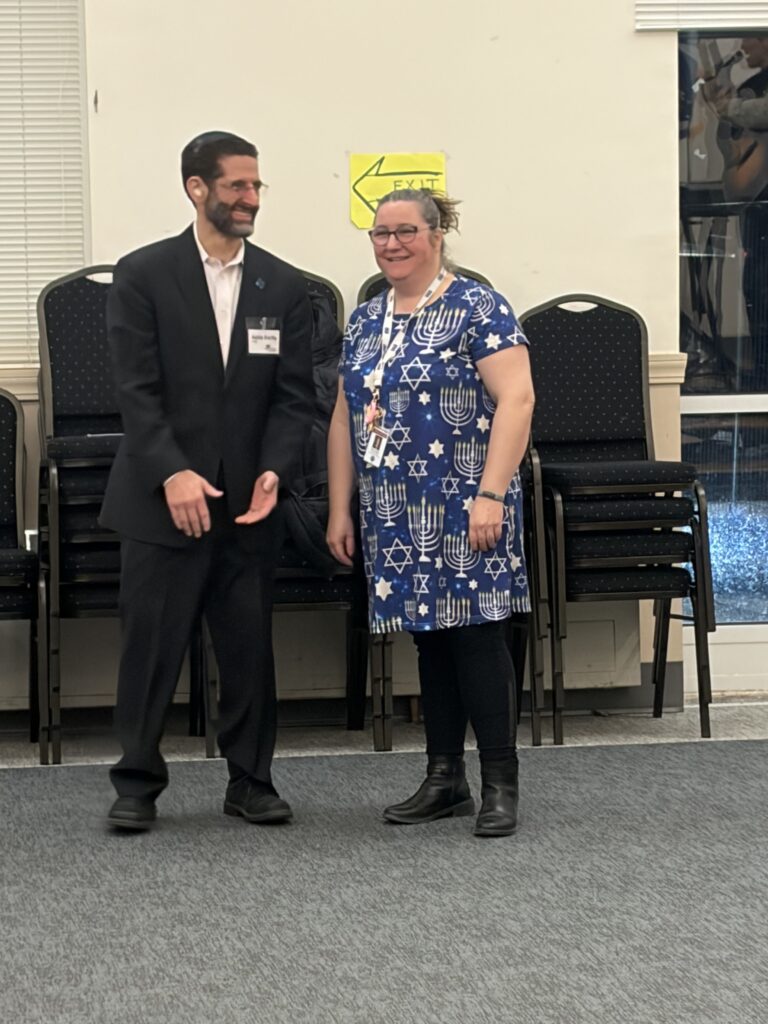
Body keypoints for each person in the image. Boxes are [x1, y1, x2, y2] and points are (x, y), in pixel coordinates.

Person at [100, 131, 315, 831]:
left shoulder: (284, 285)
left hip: (248, 503)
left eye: (256, 186)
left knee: (248, 648)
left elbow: (294, 398)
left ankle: (251, 781)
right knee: (151, 647)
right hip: (161, 498)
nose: (251, 199)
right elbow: (136, 392)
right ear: (197, 188)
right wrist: (173, 472)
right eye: (236, 186)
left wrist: (275, 471)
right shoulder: (143, 274)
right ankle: (136, 784)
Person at [326, 189, 535, 838]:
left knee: (476, 636)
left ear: (437, 236)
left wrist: (491, 494)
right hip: (394, 509)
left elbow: (518, 399)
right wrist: (340, 508)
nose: (391, 244)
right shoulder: (366, 319)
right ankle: (445, 779)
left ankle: (500, 783)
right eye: (380, 233)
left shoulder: (478, 307)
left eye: (405, 231)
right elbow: (345, 417)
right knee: (430, 638)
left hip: (468, 504)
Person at [702, 36, 768, 388]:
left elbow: (756, 113)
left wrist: (727, 107)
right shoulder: (753, 84)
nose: (743, 44)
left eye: (750, 38)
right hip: (756, 202)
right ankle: (762, 370)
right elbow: (729, 138)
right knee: (756, 288)